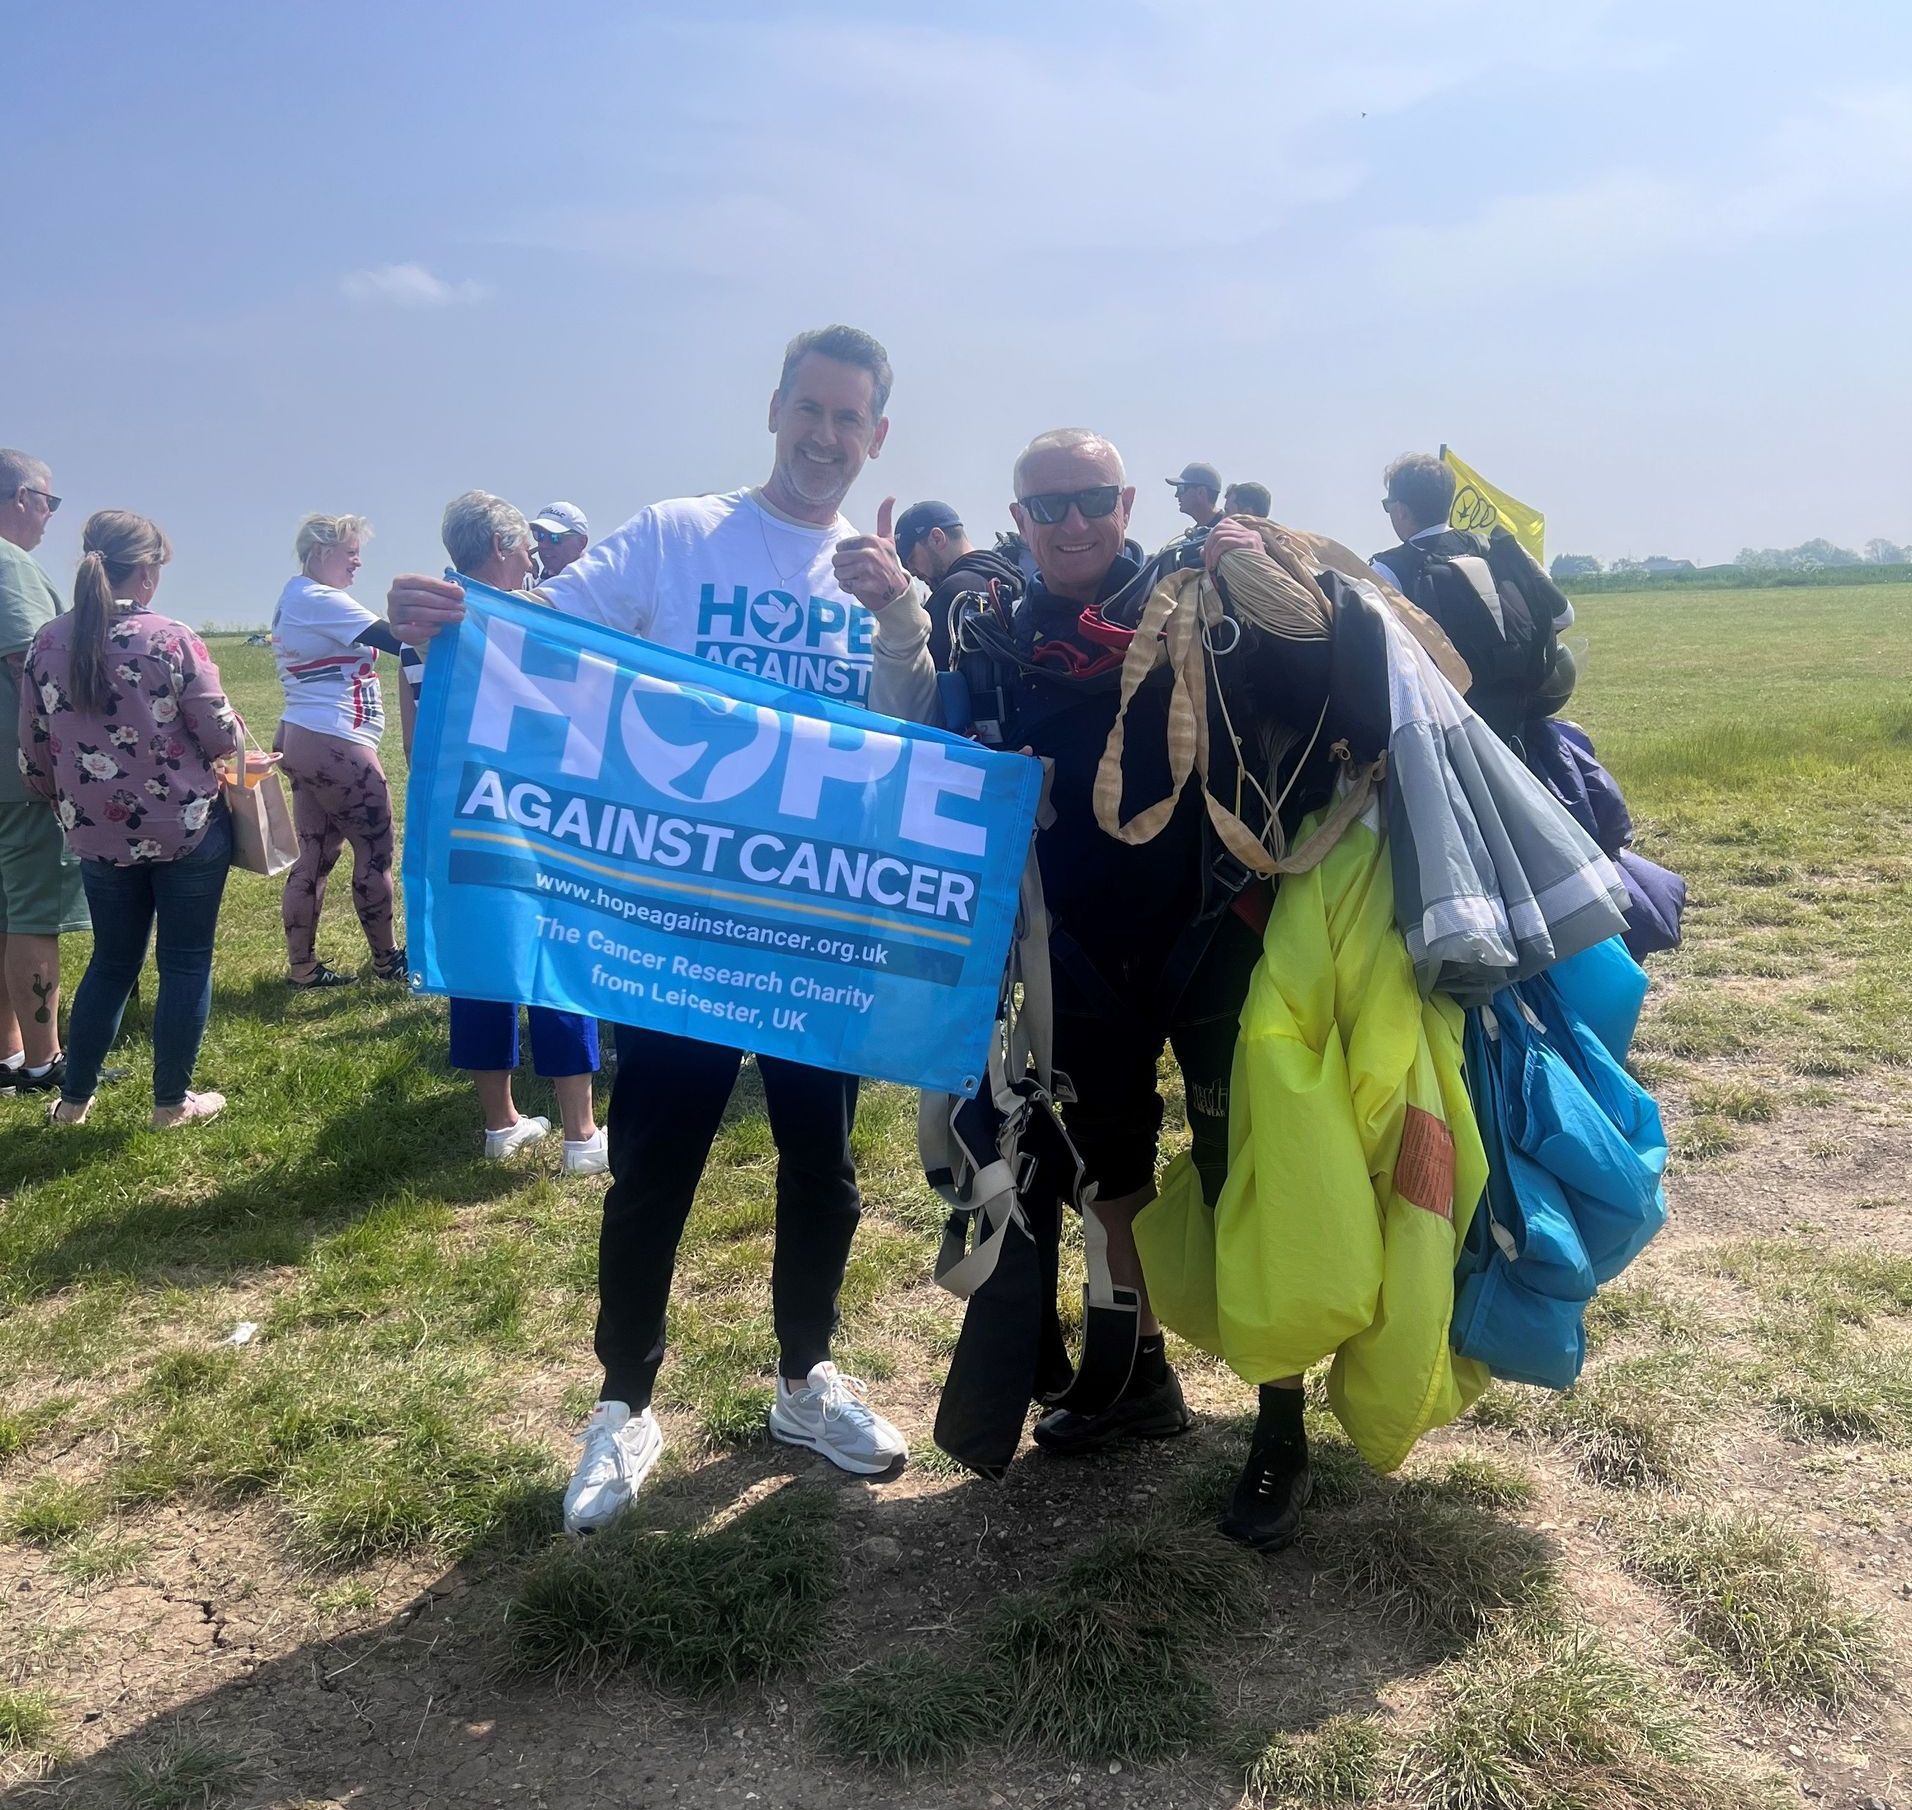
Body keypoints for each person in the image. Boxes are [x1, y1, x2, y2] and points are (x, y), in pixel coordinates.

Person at [388, 324, 913, 1531]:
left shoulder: (876, 574)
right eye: (811, 411)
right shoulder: (681, 535)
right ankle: (624, 1405)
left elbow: (914, 724)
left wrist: (899, 620)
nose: (827, 437)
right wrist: (459, 610)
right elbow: (541, 630)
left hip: (816, 935)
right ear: (775, 409)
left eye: (852, 420)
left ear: (877, 436)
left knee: (822, 1170)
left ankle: (805, 1380)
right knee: (653, 1172)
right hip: (677, 937)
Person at [858, 429, 1373, 1551]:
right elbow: (918, 742)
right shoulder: (995, 641)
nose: (1075, 521)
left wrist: (1277, 575)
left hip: (1213, 941)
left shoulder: (1207, 609)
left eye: (1094, 498)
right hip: (1076, 958)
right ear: (1019, 516)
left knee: (1247, 1174)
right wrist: (900, 611)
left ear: (1128, 501)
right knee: (1114, 1179)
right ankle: (1137, 1376)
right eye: (1049, 507)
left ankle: (1279, 1426)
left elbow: (1338, 699)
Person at [19, 512, 239, 1129]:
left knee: (112, 962)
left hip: (95, 833)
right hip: (185, 826)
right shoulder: (169, 639)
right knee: (186, 961)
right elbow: (220, 734)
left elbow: (33, 748)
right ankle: (171, 1103)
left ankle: (73, 1101)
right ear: (146, 571)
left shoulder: (47, 641)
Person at [436, 492, 608, 1173]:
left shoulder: (431, 619)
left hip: (463, 806)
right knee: (559, 954)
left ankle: (500, 1121)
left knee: (482, 959)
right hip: (540, 805)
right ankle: (580, 1133)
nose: (536, 557)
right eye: (527, 547)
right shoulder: (538, 619)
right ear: (505, 548)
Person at [270, 514, 409, 989]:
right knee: (375, 851)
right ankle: (388, 961)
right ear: (318, 552)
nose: (358, 561)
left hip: (306, 736)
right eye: (350, 551)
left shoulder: (298, 597)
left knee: (315, 854)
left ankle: (303, 967)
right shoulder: (319, 598)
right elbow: (398, 640)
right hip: (335, 741)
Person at [1370, 452, 1573, 742]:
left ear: (1401, 510)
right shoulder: (1499, 548)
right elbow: (1564, 616)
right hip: (1515, 723)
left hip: (1445, 731)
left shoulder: (1388, 569)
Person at [0, 447, 88, 1095]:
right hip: (20, 777)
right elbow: (30, 667)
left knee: (6, 912)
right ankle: (43, 1060)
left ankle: (7, 1054)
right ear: (20, 498)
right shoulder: (9, 563)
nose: (50, 515)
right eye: (47, 501)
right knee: (33, 913)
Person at [892, 499, 1026, 669]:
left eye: (911, 559)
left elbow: (919, 681)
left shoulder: (951, 594)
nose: (912, 572)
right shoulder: (1016, 577)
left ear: (937, 538)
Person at [528, 502, 589, 581]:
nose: (544, 545)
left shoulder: (598, 587)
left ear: (581, 542)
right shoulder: (530, 583)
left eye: (555, 537)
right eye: (540, 535)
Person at [1166, 460, 1224, 532]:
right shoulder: (1196, 536)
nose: (1177, 495)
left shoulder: (1230, 530)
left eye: (1181, 488)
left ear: (1200, 492)